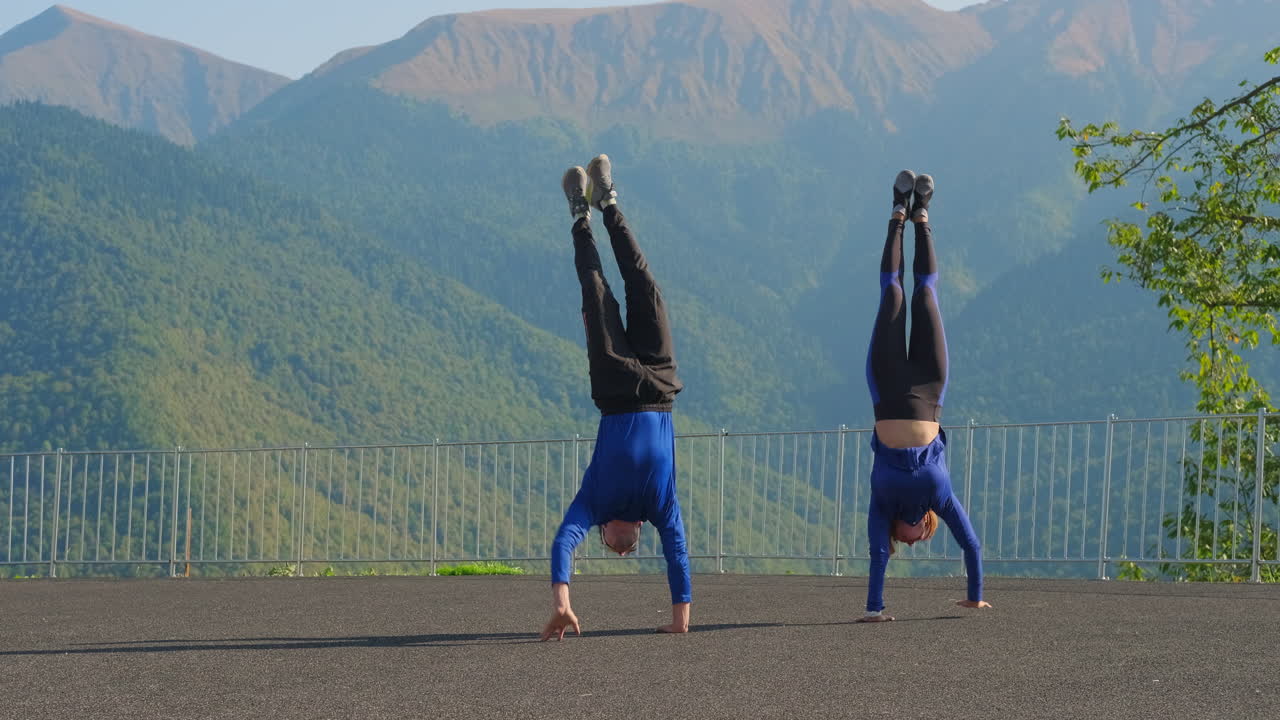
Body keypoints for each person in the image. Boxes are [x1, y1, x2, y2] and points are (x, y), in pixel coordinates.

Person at [540, 155, 691, 641]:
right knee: (644, 284)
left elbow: (564, 541)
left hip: (615, 391)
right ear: (638, 533)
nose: (622, 549)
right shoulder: (660, 505)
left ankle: (581, 214)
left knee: (596, 288)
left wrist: (562, 604)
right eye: (629, 551)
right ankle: (608, 204)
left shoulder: (596, 502)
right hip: (662, 386)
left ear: (603, 534)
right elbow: (679, 553)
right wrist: (680, 622)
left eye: (612, 549)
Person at [858, 170, 991, 623]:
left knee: (893, 293)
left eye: (906, 542)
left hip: (886, 388)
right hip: (932, 389)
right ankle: (923, 216)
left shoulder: (881, 506)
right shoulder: (942, 498)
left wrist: (875, 609)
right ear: (927, 526)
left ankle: (899, 211)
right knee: (926, 297)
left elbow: (878, 555)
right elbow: (970, 544)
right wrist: (974, 595)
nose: (912, 541)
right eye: (921, 540)